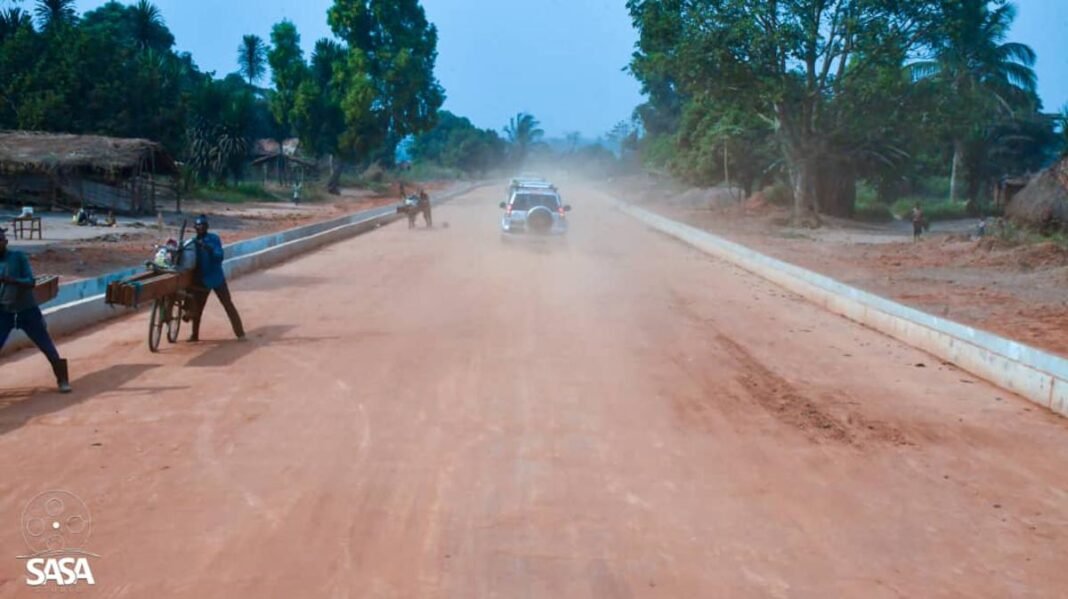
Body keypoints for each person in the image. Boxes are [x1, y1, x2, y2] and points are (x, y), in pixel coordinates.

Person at [0, 227, 71, 393]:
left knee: (45, 344)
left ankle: (62, 379)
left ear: (6, 242)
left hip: (27, 310)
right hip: (4, 312)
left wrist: (9, 280)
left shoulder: (17, 257)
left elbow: (30, 282)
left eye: (0, 240)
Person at [187, 214, 245, 342]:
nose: (200, 228)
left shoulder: (214, 239)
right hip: (202, 280)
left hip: (216, 278)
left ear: (206, 227)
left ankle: (240, 333)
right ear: (195, 227)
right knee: (198, 308)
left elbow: (219, 256)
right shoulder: (193, 242)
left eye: (202, 226)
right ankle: (194, 335)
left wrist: (208, 248)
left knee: (228, 304)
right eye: (198, 226)